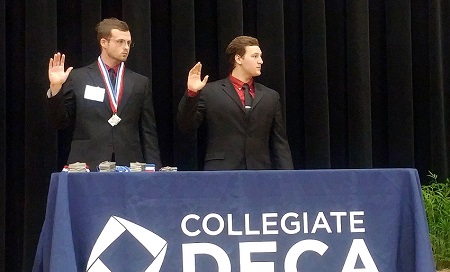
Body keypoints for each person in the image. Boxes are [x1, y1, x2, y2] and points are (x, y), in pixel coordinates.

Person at [47, 18, 161, 170]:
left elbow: (148, 132)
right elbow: (60, 122)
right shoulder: (78, 78)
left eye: (128, 43)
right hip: (87, 164)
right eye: (120, 42)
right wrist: (55, 89)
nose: (126, 47)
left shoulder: (140, 82)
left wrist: (155, 169)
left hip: (129, 165)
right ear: (104, 43)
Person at [177, 36, 293, 170]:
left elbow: (280, 143)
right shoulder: (210, 92)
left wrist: (289, 179)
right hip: (222, 173)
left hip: (260, 173)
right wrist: (192, 93)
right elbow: (186, 125)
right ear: (238, 59)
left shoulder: (271, 96)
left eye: (260, 56)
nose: (260, 61)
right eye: (255, 56)